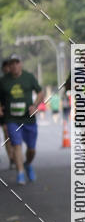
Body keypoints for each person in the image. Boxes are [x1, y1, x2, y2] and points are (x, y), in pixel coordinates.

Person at [0, 54, 43, 185]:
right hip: (11, 118)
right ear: (9, 66)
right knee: (16, 145)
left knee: (31, 149)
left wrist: (35, 105)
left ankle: (27, 164)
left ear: (21, 64)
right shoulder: (3, 81)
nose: (14, 65)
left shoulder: (28, 77)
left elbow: (40, 92)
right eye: (11, 63)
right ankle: (20, 173)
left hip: (28, 118)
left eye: (16, 62)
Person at [1, 59, 16, 168]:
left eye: (8, 66)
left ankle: (15, 156)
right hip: (3, 111)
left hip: (15, 111)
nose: (7, 69)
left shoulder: (15, 80)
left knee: (13, 135)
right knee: (7, 134)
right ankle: (11, 157)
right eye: (5, 67)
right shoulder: (1, 81)